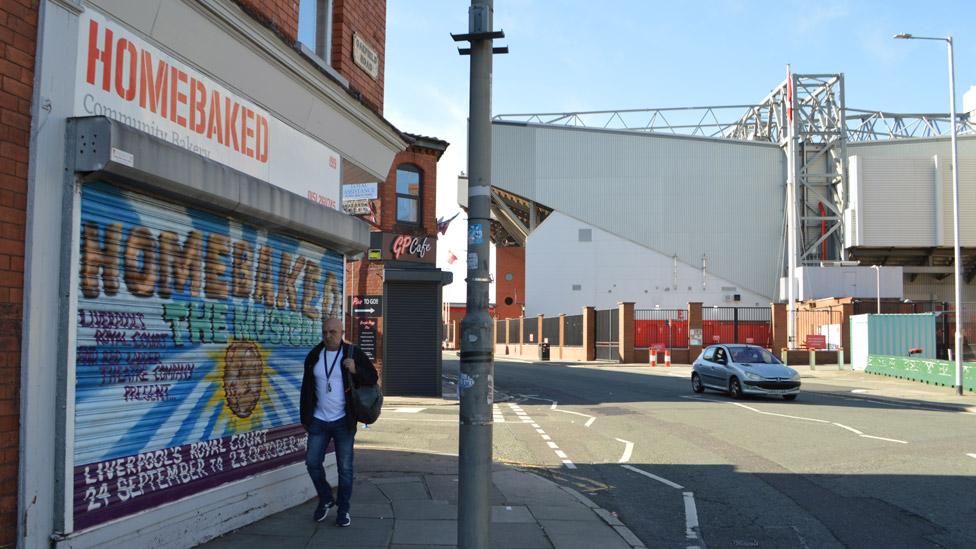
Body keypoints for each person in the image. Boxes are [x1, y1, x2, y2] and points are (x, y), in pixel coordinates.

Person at [300, 317, 378, 527]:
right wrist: (305, 418)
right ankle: (325, 498)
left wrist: (355, 370)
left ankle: (343, 509)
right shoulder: (314, 356)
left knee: (345, 468)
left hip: (343, 421)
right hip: (318, 420)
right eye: (325, 332)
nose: (328, 336)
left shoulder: (352, 353)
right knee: (312, 463)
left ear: (341, 332)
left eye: (332, 332)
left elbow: (373, 377)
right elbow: (306, 389)